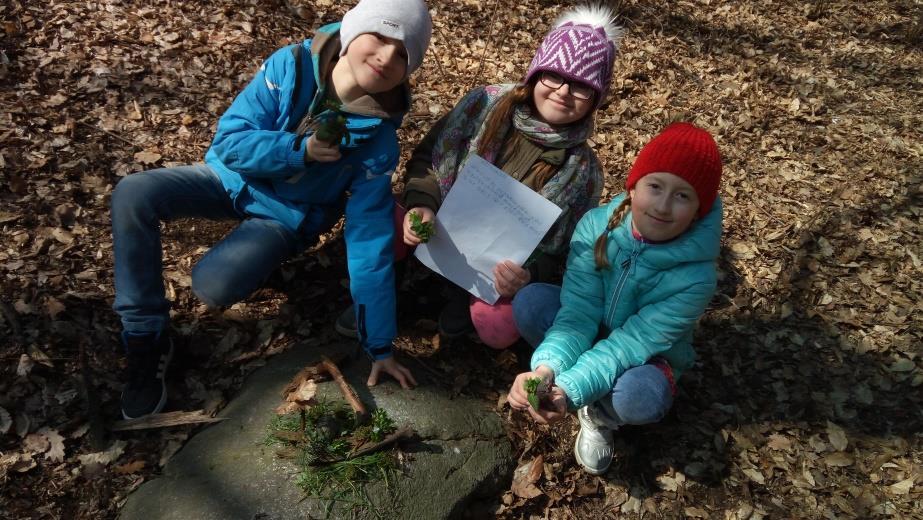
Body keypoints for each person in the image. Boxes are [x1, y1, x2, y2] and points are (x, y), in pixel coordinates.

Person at [110, 0, 432, 419]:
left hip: (285, 215)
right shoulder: (292, 66)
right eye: (381, 37)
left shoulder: (379, 141)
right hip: (231, 178)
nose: (387, 56)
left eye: (404, 53)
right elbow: (230, 141)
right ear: (353, 31)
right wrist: (299, 151)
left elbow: (369, 237)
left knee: (212, 286)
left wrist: (380, 344)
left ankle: (252, 255)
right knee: (135, 192)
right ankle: (145, 336)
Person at [335, 5, 623, 349]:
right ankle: (383, 291)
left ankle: (460, 301)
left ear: (596, 100)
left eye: (582, 87)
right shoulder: (484, 104)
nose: (563, 91)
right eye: (555, 76)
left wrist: (531, 274)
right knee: (385, 222)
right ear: (536, 73)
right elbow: (429, 158)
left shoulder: (585, 171)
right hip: (433, 229)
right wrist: (421, 204)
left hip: (491, 270)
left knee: (498, 328)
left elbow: (567, 249)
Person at [506, 122, 723, 475]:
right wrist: (545, 374)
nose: (664, 206)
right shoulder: (596, 226)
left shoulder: (695, 278)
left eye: (682, 196)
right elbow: (578, 314)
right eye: (655, 186)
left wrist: (569, 391)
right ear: (634, 186)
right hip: (590, 329)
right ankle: (568, 370)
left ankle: (599, 415)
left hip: (643, 357)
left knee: (643, 397)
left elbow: (629, 345)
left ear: (699, 210)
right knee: (530, 301)